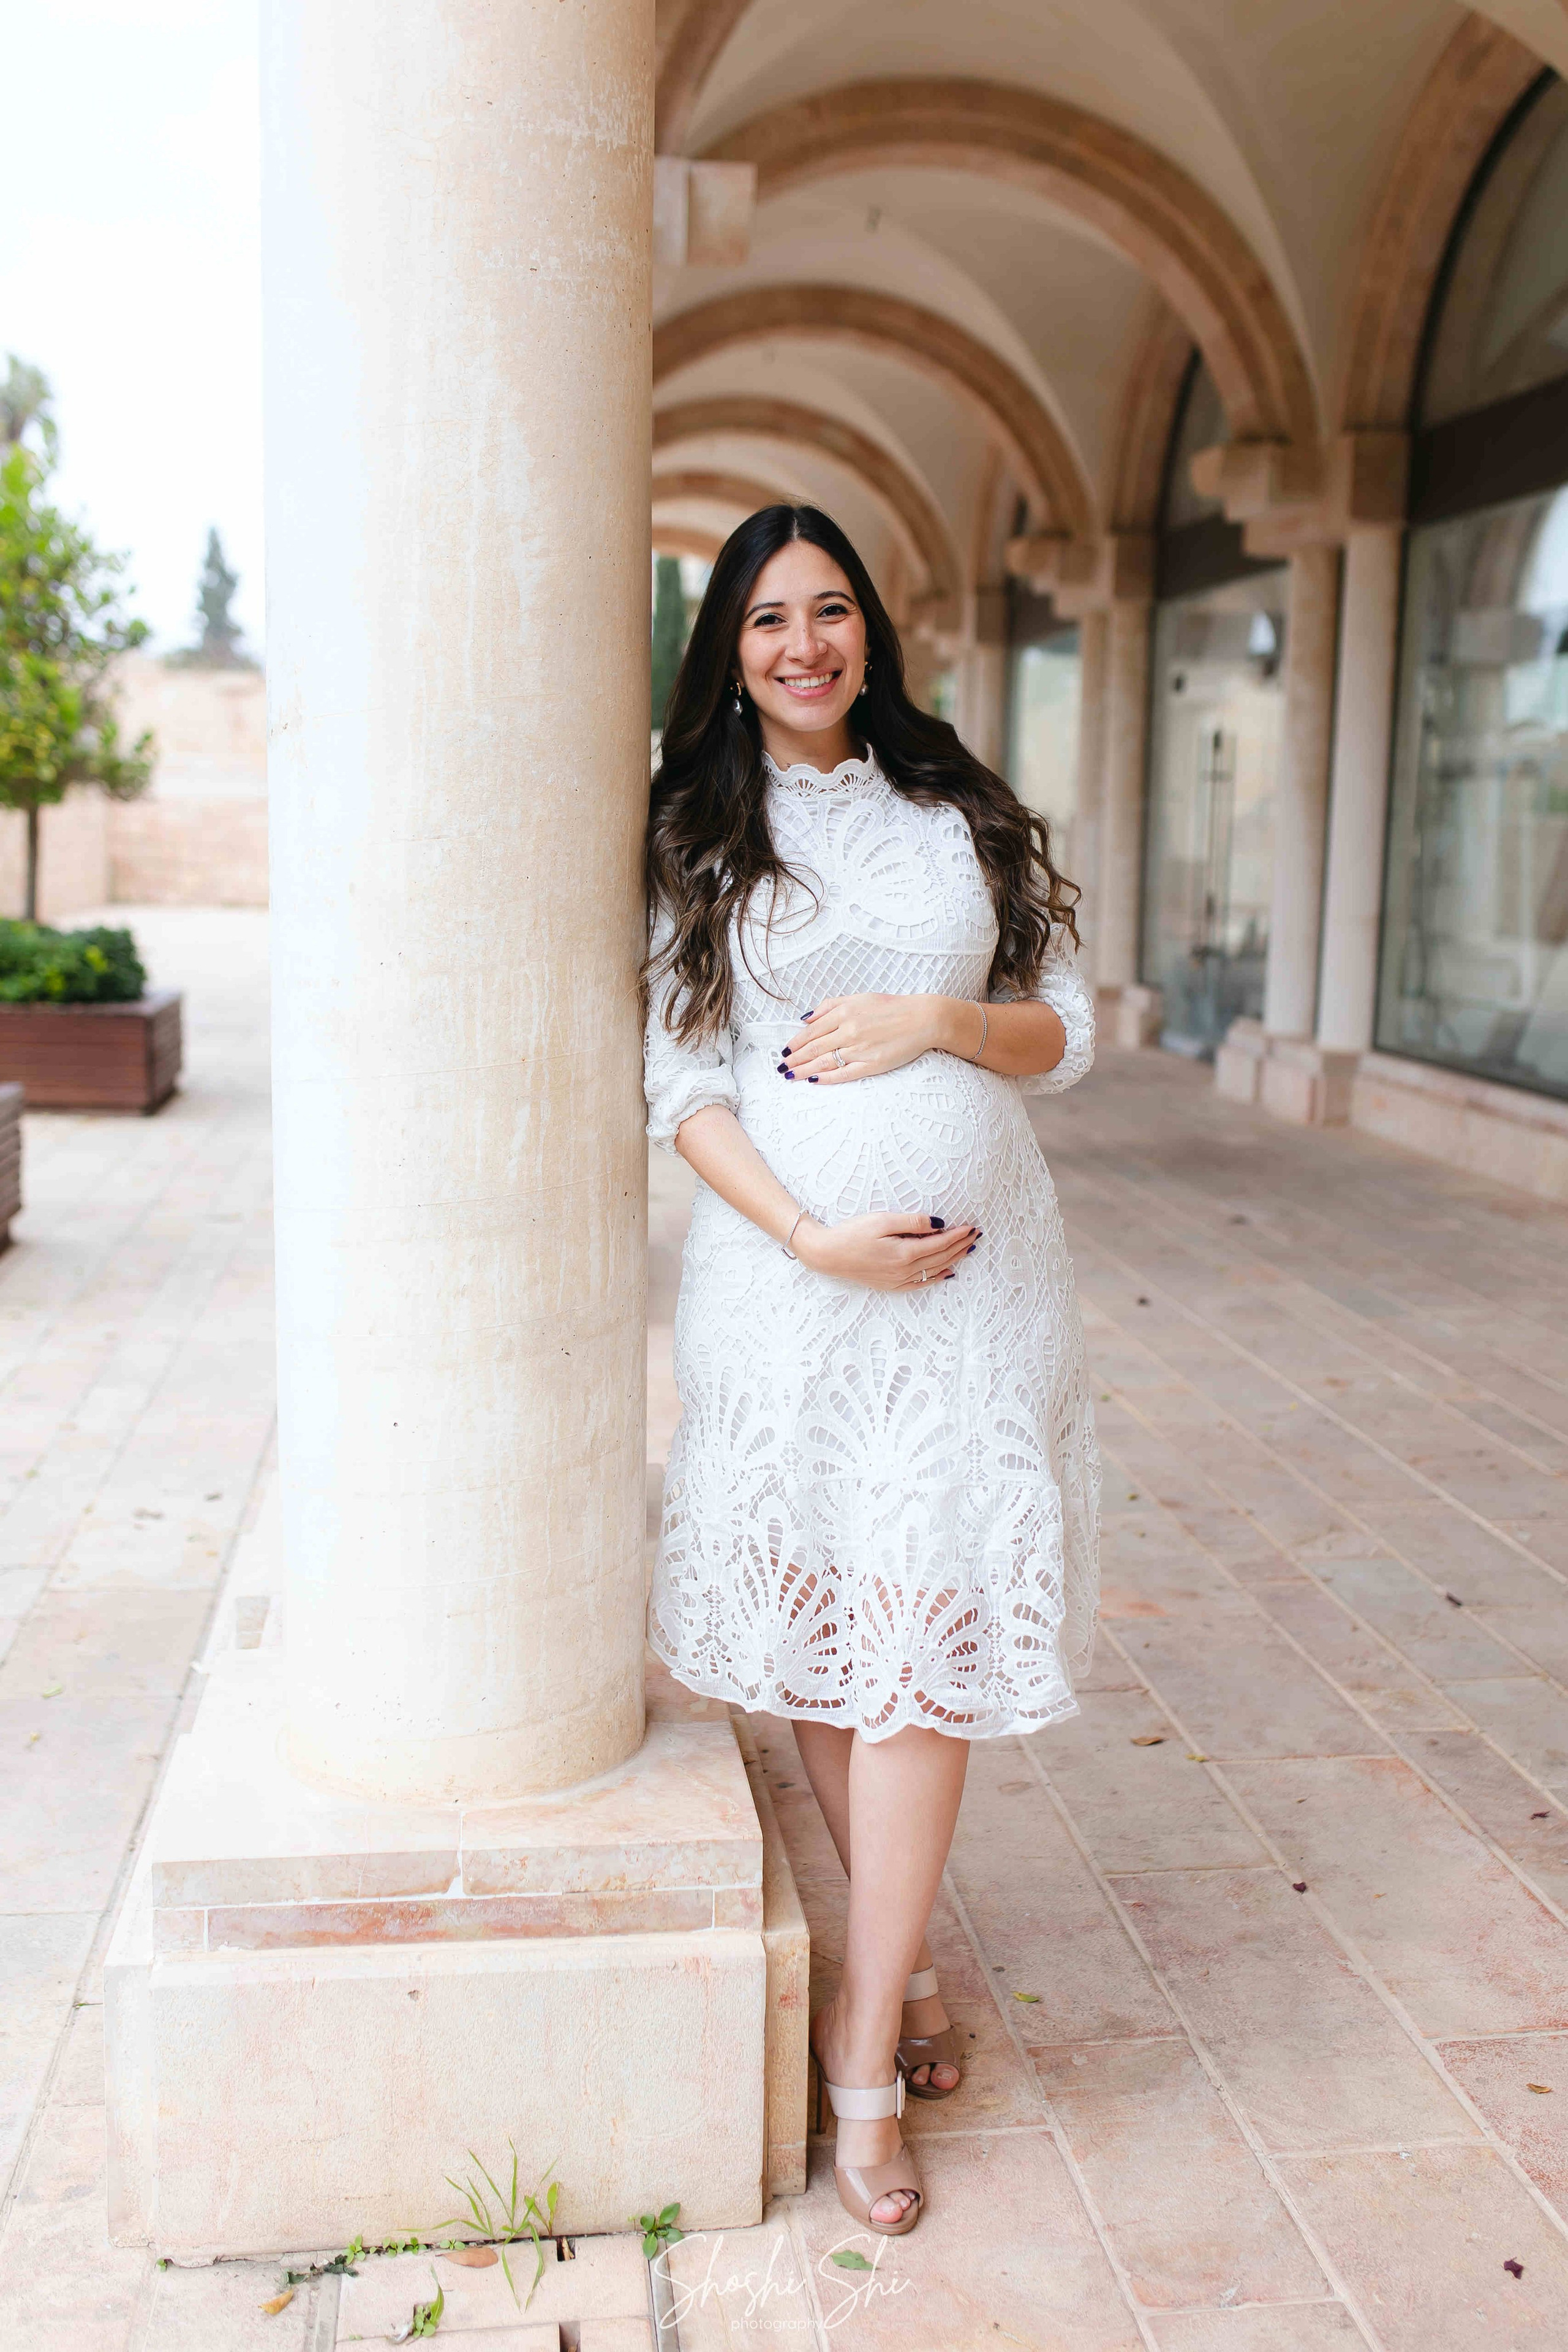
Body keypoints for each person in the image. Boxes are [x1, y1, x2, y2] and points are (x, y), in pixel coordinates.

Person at [643, 505, 1100, 2235]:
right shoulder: (698, 826)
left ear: (871, 634)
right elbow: (678, 1083)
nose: (805, 644)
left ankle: (859, 2033)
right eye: (769, 620)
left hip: (979, 1307)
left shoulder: (953, 805)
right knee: (844, 1655)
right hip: (791, 1293)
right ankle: (904, 1974)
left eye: (831, 611)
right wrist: (805, 1234)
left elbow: (1062, 1029)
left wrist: (936, 1024)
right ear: (731, 650)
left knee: (927, 1645)